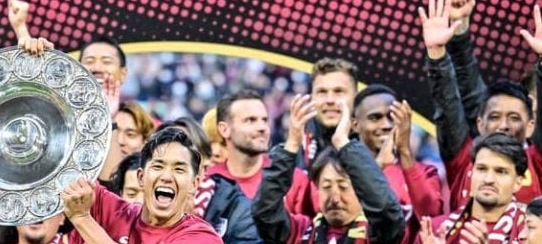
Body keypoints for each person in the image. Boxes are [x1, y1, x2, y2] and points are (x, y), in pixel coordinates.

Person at [424, 0, 542, 206]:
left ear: (531, 126)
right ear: (480, 124)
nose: (503, 125)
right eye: (494, 117)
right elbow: (448, 104)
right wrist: (436, 54)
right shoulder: (463, 158)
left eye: (514, 118)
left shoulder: (537, 161)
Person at [253, 93, 405, 244]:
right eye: (326, 187)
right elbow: (265, 212)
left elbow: (386, 211)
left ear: (362, 190)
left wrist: (343, 143)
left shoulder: (376, 234)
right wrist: (291, 145)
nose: (335, 199)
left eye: (343, 187)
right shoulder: (299, 232)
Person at [61, 128, 222, 243]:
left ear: (194, 184)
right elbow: (60, 172)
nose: (166, 177)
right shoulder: (114, 212)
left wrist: (82, 219)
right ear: (141, 177)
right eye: (158, 166)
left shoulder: (202, 238)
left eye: (179, 169)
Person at [350, 84, 443, 243]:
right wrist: (378, 166)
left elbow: (431, 217)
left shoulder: (425, 172)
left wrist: (404, 150)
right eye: (375, 118)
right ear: (355, 125)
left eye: (392, 117)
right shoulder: (340, 170)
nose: (386, 125)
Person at [208, 90, 310, 213]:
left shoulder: (294, 180)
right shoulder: (207, 183)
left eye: (265, 120)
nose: (262, 127)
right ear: (225, 129)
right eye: (250, 120)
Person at [419, 133, 528, 244]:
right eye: (481, 169)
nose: (488, 179)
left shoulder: (530, 234)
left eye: (500, 172)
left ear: (518, 182)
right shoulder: (434, 230)